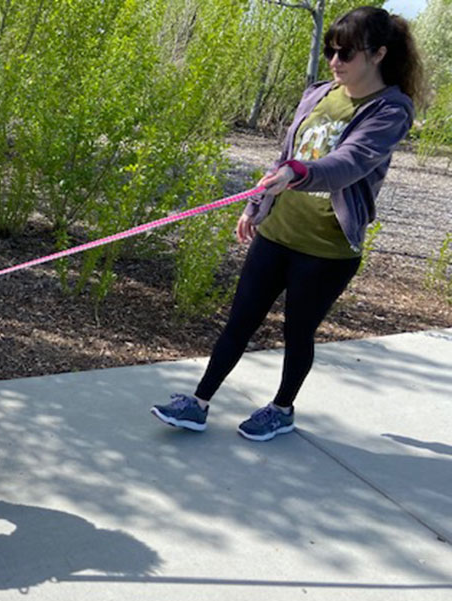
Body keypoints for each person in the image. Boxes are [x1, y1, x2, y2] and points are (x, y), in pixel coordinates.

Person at [151, 5, 424, 442]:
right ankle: (198, 403)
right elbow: (283, 158)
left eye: (347, 53)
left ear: (378, 54)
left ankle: (282, 409)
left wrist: (299, 173)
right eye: (332, 51)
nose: (335, 62)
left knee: (297, 331)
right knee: (240, 318)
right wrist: (256, 204)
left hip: (327, 249)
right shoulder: (318, 93)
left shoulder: (391, 109)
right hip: (278, 233)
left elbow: (349, 163)